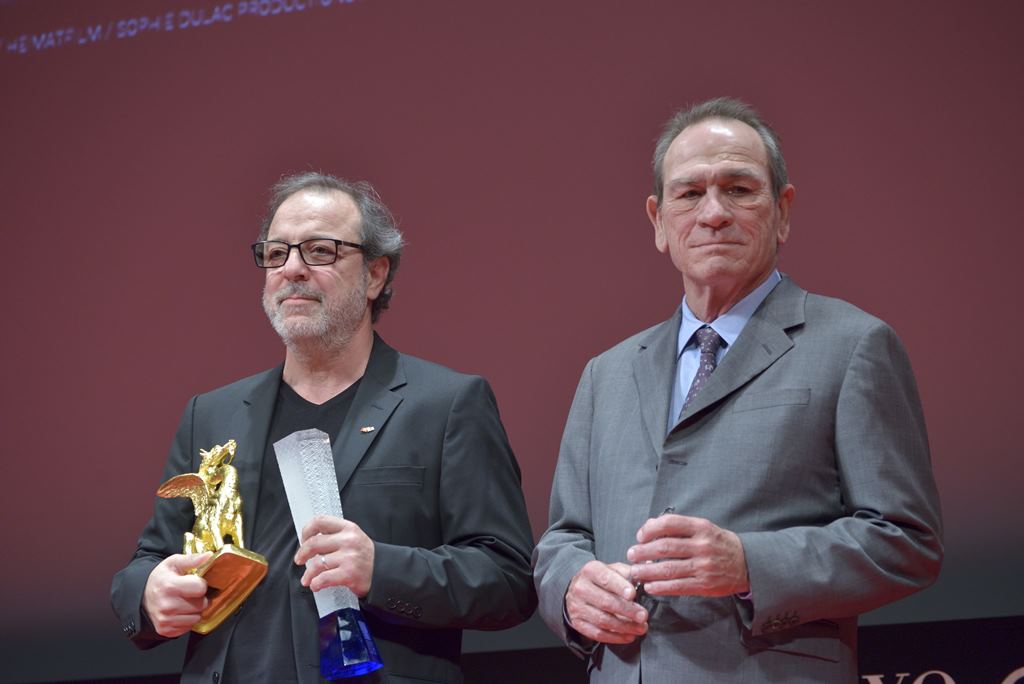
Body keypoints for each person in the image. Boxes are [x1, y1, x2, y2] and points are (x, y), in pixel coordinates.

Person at [532, 97, 943, 682]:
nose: (714, 213)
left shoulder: (854, 345)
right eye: (689, 193)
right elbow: (563, 537)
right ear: (657, 220)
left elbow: (906, 540)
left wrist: (750, 564)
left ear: (783, 211)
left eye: (740, 189)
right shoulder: (608, 372)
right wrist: (571, 587)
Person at [112, 172, 536, 683]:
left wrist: (382, 568)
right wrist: (148, 591)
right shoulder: (212, 413)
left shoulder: (447, 405)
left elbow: (509, 582)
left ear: (375, 275)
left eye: (320, 251)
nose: (292, 269)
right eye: (275, 253)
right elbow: (148, 560)